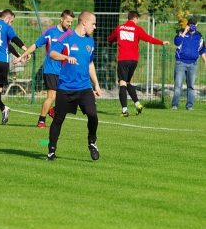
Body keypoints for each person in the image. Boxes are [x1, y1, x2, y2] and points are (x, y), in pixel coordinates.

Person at [46, 10, 101, 161]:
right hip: (65, 87)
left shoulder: (90, 41)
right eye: (93, 24)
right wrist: (66, 57)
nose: (94, 27)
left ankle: (92, 142)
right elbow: (52, 54)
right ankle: (51, 150)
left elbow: (90, 63)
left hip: (84, 87)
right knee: (59, 119)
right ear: (84, 22)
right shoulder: (67, 37)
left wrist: (96, 84)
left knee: (93, 114)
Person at [13, 10, 75, 128]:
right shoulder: (50, 32)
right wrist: (22, 56)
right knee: (51, 96)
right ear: (61, 19)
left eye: (71, 22)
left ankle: (53, 111)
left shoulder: (70, 34)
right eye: (68, 21)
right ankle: (41, 121)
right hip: (51, 69)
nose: (69, 24)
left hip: (65, 70)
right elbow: (35, 45)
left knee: (70, 95)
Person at [108, 11, 170, 117]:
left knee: (122, 83)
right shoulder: (137, 29)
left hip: (123, 59)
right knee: (127, 83)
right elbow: (148, 38)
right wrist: (161, 42)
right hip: (134, 60)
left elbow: (110, 39)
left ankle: (124, 110)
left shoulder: (119, 28)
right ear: (135, 19)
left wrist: (115, 39)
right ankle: (137, 104)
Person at [0, 9, 30, 125]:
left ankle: (3, 108)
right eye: (11, 21)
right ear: (6, 19)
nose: (11, 24)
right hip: (3, 63)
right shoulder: (7, 28)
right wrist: (25, 51)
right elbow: (14, 41)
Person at [172, 17, 206, 110]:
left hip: (193, 64)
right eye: (190, 24)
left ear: (196, 25)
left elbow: (202, 50)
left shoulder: (199, 36)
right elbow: (176, 42)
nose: (192, 26)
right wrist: (184, 32)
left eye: (194, 24)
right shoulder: (181, 32)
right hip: (180, 63)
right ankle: (175, 105)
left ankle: (189, 105)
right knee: (178, 85)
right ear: (188, 24)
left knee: (191, 86)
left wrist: (205, 61)